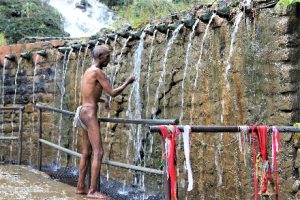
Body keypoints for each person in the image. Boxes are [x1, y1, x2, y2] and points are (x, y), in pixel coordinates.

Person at [74, 44, 135, 199]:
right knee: (98, 152)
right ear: (101, 57)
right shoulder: (98, 72)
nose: (110, 59)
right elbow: (113, 92)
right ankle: (93, 191)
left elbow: (89, 93)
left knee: (86, 152)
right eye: (108, 57)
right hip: (89, 114)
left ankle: (80, 186)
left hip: (82, 111)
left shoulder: (89, 71)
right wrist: (128, 81)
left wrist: (102, 99)